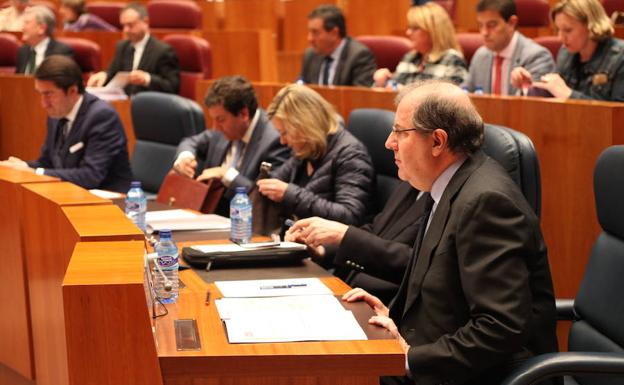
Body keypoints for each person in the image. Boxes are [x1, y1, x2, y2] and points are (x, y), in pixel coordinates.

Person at [342, 80, 558, 385]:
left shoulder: (486, 202)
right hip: (440, 358)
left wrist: (407, 359)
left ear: (437, 142)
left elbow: (499, 327)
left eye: (400, 132)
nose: (390, 142)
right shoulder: (444, 186)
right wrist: (392, 316)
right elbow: (445, 294)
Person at [0, 55, 133, 193]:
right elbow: (47, 162)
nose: (44, 103)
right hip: (75, 194)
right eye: (41, 94)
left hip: (113, 199)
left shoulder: (101, 116)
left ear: (72, 91)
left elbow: (91, 176)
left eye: (49, 94)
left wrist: (34, 172)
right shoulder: (57, 113)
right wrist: (21, 166)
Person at [285, 182, 424, 303]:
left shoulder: (441, 197)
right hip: (348, 288)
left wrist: (343, 235)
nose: (391, 149)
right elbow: (376, 230)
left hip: (387, 306)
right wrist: (321, 249)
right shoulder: (409, 184)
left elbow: (422, 265)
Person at [256, 84, 374, 227]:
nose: (282, 141)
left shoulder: (351, 155)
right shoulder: (306, 149)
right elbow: (275, 181)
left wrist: (290, 195)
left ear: (305, 125)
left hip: (333, 248)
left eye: (285, 133)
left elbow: (350, 216)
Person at [173, 76, 290, 216]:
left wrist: (226, 174)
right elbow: (191, 142)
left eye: (220, 120)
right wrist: (185, 157)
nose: (215, 128)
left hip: (245, 222)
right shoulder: (224, 129)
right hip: (208, 214)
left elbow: (264, 198)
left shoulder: (275, 140)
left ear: (243, 114)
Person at [511, 0, 624, 101]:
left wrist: (569, 94)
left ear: (591, 25)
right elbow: (556, 97)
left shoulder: (620, 57)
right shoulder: (566, 53)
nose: (560, 38)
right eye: (558, 30)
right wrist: (530, 86)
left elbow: (618, 114)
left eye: (568, 30)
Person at [462, 0, 555, 95]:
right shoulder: (480, 56)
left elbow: (533, 105)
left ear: (511, 23)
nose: (484, 32)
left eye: (492, 25)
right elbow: (464, 94)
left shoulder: (537, 57)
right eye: (481, 25)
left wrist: (525, 88)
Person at [86, 2, 179, 95]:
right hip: (124, 102)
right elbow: (113, 73)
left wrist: (147, 79)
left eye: (130, 25)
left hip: (150, 104)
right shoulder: (122, 47)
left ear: (145, 22)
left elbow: (172, 86)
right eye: (123, 26)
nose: (126, 30)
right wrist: (104, 75)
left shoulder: (163, 50)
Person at [373, 3, 467, 89]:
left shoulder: (452, 60)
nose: (408, 32)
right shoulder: (410, 57)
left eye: (415, 28)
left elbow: (448, 103)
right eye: (409, 27)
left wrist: (402, 91)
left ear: (433, 32)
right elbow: (392, 90)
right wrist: (382, 83)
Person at [299, 4, 376, 87]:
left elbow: (359, 96)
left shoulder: (359, 56)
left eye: (315, 32)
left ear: (334, 33)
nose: (309, 38)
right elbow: (303, 90)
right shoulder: (310, 55)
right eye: (309, 32)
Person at [15, 6, 73, 74]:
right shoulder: (23, 51)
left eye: (27, 23)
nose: (22, 28)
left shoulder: (61, 52)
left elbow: (62, 81)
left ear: (41, 29)